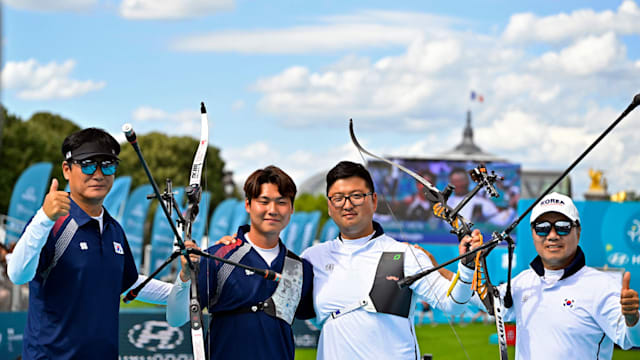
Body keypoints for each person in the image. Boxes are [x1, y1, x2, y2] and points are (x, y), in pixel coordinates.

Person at [7, 128, 171, 359]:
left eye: (107, 165)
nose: (98, 173)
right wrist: (44, 218)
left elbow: (130, 283)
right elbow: (17, 275)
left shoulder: (114, 229)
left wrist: (188, 291)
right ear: (67, 169)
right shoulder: (51, 224)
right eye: (87, 164)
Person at [300, 161, 482, 359]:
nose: (347, 204)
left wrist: (467, 266)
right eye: (338, 198)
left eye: (357, 196)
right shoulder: (312, 258)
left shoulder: (405, 254)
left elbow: (454, 306)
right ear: (329, 206)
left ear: (374, 201)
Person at [166, 165, 314, 360]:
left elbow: (320, 316)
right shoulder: (218, 257)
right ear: (248, 204)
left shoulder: (300, 268)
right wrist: (185, 275)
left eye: (281, 202)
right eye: (264, 201)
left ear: (292, 208)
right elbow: (176, 318)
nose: (272, 209)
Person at [482, 192, 640, 359]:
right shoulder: (523, 282)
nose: (552, 236)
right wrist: (467, 266)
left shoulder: (601, 286)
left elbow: (631, 339)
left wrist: (632, 318)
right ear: (533, 234)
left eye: (562, 227)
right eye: (542, 228)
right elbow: (473, 296)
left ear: (577, 232)